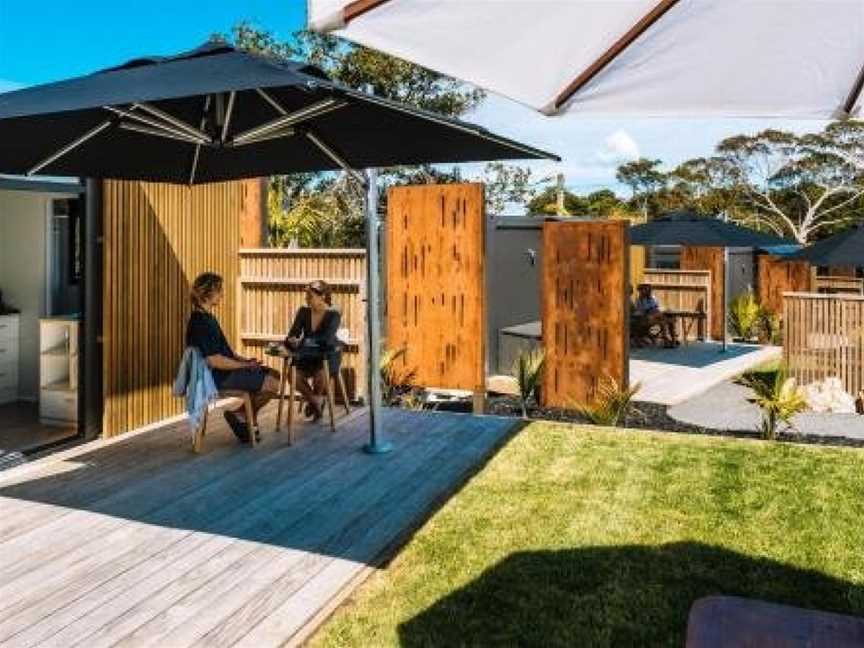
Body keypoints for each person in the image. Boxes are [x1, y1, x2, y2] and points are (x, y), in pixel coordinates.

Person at [186, 272, 281, 443]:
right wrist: (243, 366)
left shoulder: (209, 318)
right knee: (272, 384)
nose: (222, 294)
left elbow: (226, 352)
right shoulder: (200, 323)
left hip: (224, 372)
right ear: (208, 293)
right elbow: (214, 360)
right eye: (219, 290)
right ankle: (243, 416)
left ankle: (241, 415)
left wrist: (245, 361)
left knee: (274, 374)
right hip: (216, 378)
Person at [284, 280, 342, 422]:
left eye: (310, 296)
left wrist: (303, 342)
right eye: (306, 296)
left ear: (322, 296)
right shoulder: (303, 312)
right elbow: (292, 334)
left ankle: (313, 402)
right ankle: (316, 401)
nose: (306, 299)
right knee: (293, 376)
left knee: (320, 376)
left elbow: (326, 339)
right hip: (307, 357)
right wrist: (291, 340)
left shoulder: (333, 314)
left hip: (327, 357)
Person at [633, 283, 679, 347]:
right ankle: (668, 341)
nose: (646, 291)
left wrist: (655, 309)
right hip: (647, 319)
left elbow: (657, 307)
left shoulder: (653, 298)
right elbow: (641, 310)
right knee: (666, 319)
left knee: (669, 320)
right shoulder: (639, 300)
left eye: (648, 290)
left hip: (656, 316)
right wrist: (650, 309)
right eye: (643, 290)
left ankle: (672, 341)